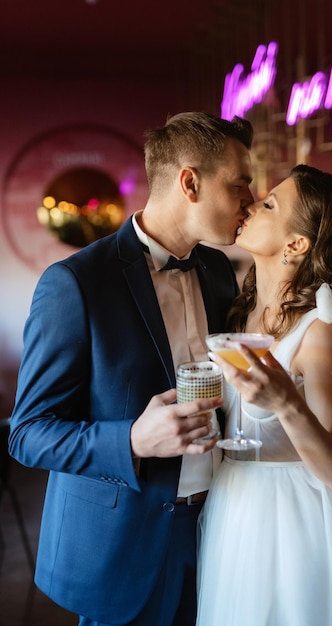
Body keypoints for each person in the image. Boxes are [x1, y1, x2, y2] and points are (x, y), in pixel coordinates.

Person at [8, 112, 254, 626]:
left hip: (220, 532)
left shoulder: (217, 273)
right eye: (240, 185)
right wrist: (133, 441)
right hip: (122, 545)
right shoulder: (76, 283)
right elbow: (28, 434)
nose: (249, 202)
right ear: (190, 182)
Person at [196, 164, 332, 626]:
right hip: (234, 505)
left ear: (296, 245)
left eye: (271, 204)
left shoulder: (319, 330)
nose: (252, 203)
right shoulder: (238, 314)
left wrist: (285, 403)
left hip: (290, 523)